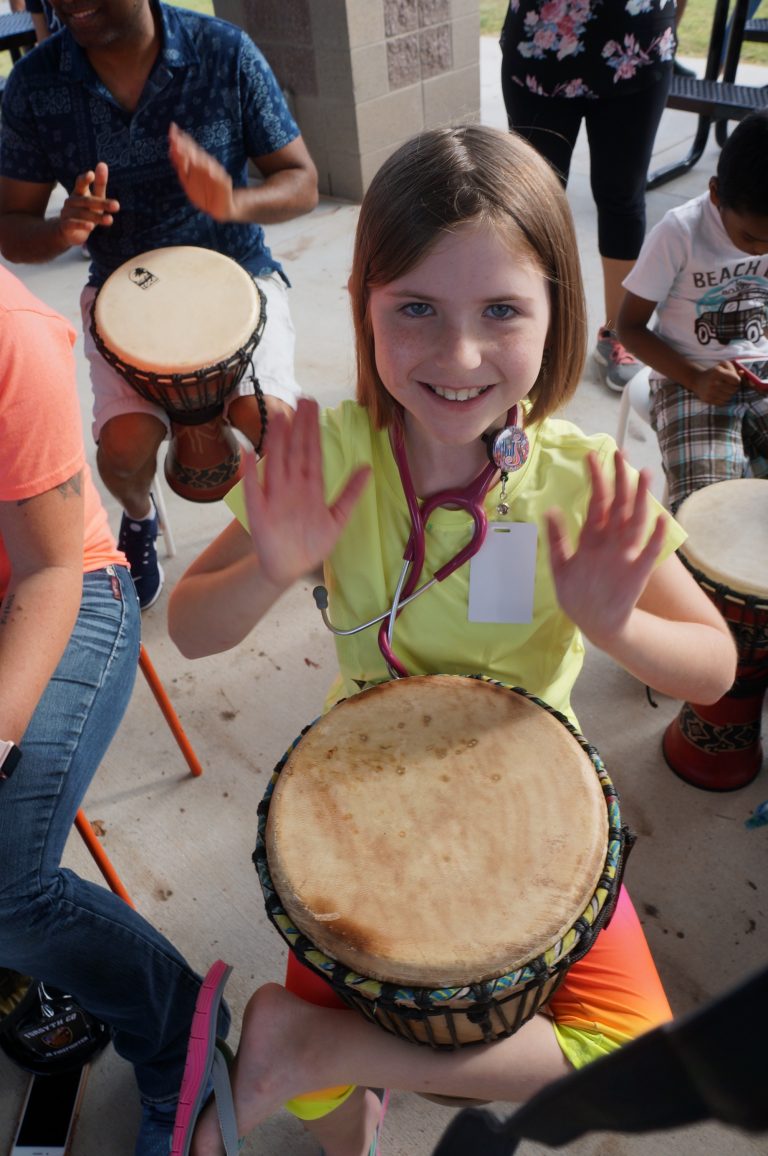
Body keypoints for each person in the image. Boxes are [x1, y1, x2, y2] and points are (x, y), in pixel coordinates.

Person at [166, 125, 737, 1156]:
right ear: (364, 307)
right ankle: (335, 1092)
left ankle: (318, 1048)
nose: (460, 355)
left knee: (641, 1059)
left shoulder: (578, 481)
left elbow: (718, 665)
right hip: (355, 817)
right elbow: (192, 630)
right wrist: (271, 562)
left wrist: (616, 624)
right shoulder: (332, 454)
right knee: (328, 1113)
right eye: (416, 309)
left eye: (503, 312)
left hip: (536, 811)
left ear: (560, 313)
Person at [0, 264, 229, 1156]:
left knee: (8, 893)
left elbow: (53, 570)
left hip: (64, 592)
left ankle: (181, 1035)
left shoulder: (12, 333)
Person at [0, 0, 319, 611]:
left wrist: (234, 201)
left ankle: (279, 539)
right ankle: (141, 516)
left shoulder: (224, 52)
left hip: (236, 274)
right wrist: (63, 230)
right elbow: (13, 227)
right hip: (124, 292)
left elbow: (300, 179)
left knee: (274, 423)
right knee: (120, 453)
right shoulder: (34, 85)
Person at [499, 0, 675, 393]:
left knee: (622, 197)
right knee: (532, 200)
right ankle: (530, 332)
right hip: (540, 42)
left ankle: (620, 333)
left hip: (637, 43)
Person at [617, 109, 768, 514]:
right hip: (685, 376)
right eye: (750, 237)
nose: (760, 250)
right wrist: (695, 378)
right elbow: (629, 328)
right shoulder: (679, 232)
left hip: (760, 373)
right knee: (709, 511)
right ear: (716, 192)